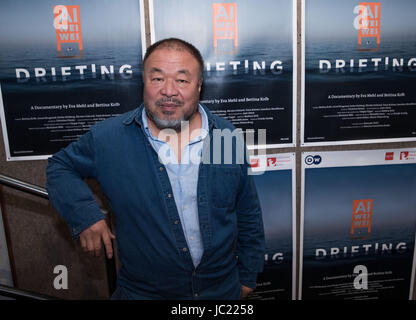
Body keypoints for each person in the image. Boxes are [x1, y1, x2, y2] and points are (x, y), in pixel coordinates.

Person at [46, 38, 265, 300]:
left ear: (198, 85)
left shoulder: (224, 135)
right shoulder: (110, 139)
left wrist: (248, 275)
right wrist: (84, 214)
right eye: (157, 79)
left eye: (182, 80)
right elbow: (60, 166)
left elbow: (247, 209)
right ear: (144, 83)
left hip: (221, 290)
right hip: (145, 293)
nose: (169, 91)